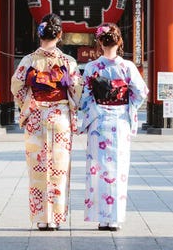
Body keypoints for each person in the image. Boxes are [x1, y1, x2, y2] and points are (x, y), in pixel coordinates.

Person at [11, 13, 83, 231]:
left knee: (37, 168)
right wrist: (69, 104)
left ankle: (43, 218)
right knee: (59, 169)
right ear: (60, 35)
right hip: (60, 116)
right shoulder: (68, 62)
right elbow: (76, 91)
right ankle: (57, 218)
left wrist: (28, 104)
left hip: (35, 116)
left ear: (39, 34)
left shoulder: (28, 61)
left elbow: (16, 87)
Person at [77, 22, 148, 231]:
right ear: (119, 41)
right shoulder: (127, 67)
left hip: (98, 120)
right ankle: (114, 218)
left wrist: (94, 111)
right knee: (118, 169)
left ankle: (101, 218)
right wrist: (128, 107)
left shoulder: (91, 67)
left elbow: (84, 98)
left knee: (97, 169)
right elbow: (141, 92)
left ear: (99, 42)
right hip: (120, 122)